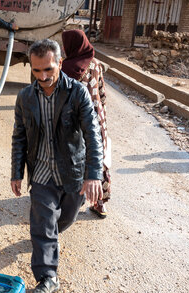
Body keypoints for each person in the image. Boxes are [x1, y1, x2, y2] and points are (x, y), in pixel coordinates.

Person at [10, 39, 104, 293]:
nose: (43, 76)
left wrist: (94, 174)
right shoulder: (25, 97)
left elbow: (92, 133)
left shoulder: (77, 93)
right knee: (42, 222)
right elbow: (19, 137)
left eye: (48, 70)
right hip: (41, 172)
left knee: (65, 219)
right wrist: (16, 172)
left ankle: (51, 236)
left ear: (60, 64)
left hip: (71, 172)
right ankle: (47, 276)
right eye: (37, 71)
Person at [61, 29, 111, 218]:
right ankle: (100, 203)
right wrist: (102, 117)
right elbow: (102, 94)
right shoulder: (96, 64)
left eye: (66, 45)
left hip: (76, 122)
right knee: (98, 158)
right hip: (97, 119)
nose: (65, 49)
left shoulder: (66, 68)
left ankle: (71, 198)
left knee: (75, 157)